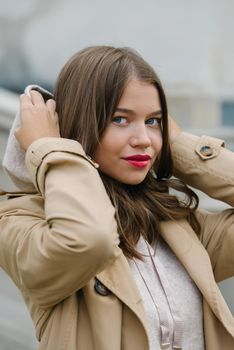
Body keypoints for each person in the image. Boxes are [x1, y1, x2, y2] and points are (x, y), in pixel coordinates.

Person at [0, 46, 233, 350]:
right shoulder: (19, 221)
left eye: (153, 121)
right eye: (120, 119)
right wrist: (52, 148)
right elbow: (87, 239)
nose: (144, 139)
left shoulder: (177, 226)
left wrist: (181, 145)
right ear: (79, 123)